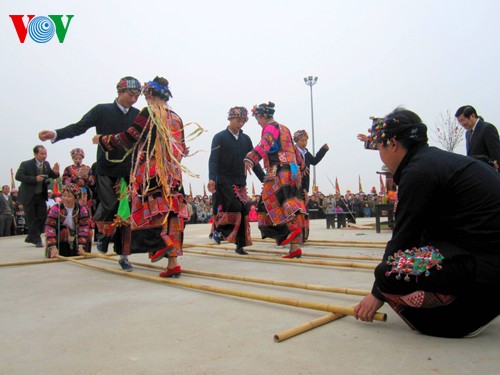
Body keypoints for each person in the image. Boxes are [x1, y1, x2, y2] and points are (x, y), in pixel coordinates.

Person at [354, 107, 500, 338]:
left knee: (388, 273)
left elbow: (402, 241)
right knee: (417, 254)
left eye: (380, 148)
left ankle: (463, 314)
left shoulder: (418, 172)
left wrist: (378, 293)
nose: (381, 156)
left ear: (393, 145)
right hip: (477, 253)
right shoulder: (434, 162)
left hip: (484, 264)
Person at [38, 76, 141, 265]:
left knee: (125, 212)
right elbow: (80, 127)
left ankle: (124, 256)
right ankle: (103, 236)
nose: (133, 99)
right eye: (131, 94)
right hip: (105, 167)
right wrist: (56, 134)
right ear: (120, 91)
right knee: (109, 206)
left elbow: (147, 139)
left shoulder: (138, 115)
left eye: (137, 96)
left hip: (128, 170)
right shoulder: (102, 110)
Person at [93, 76, 189, 277]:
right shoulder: (176, 117)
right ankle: (173, 264)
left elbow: (129, 137)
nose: (144, 101)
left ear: (150, 94)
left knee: (152, 214)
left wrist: (103, 139)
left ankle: (162, 245)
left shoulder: (150, 112)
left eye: (145, 96)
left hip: (152, 174)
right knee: (171, 216)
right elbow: (181, 148)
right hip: (173, 177)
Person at [244, 102, 306, 259]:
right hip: (292, 171)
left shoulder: (270, 127)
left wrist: (251, 158)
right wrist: (301, 166)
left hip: (279, 170)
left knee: (270, 202)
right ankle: (295, 248)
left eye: (257, 118)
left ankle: (291, 229)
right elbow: (295, 152)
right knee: (290, 204)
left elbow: (266, 142)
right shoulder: (285, 128)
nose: (257, 122)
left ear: (262, 116)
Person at [208, 106, 265, 255]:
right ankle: (219, 229)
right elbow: (213, 160)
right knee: (233, 206)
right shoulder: (219, 137)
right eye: (238, 120)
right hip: (224, 180)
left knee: (244, 209)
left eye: (243, 121)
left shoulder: (246, 139)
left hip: (240, 180)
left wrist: (264, 179)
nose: (240, 124)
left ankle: (240, 245)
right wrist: (211, 178)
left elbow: (254, 161)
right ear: (230, 118)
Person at [15, 145, 60, 247]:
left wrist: (56, 172)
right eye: (42, 154)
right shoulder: (26, 164)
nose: (44, 156)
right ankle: (36, 239)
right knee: (31, 218)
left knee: (42, 216)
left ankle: (32, 236)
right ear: (35, 154)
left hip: (40, 195)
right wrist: (34, 179)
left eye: (45, 153)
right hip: (28, 195)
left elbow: (52, 175)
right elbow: (18, 176)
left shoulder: (46, 164)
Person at [45, 184, 90, 258]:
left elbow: (84, 228)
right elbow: (50, 228)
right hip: (59, 238)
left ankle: (80, 250)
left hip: (75, 236)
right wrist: (53, 247)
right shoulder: (56, 208)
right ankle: (58, 251)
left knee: (89, 232)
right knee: (64, 231)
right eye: (64, 195)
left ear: (76, 199)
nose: (65, 198)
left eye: (69, 196)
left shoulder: (82, 210)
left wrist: (81, 245)